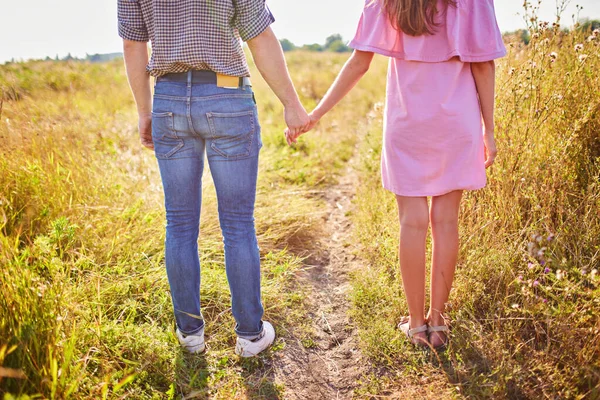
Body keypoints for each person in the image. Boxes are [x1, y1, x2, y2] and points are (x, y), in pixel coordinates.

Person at [288, 0, 506, 349]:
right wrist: (489, 130)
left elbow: (359, 62)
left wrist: (316, 113)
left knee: (412, 222)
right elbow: (484, 66)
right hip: (457, 122)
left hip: (408, 123)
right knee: (446, 220)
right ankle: (438, 321)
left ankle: (417, 326)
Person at [117, 0, 310, 357]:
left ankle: (190, 334)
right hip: (227, 94)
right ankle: (251, 336)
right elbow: (260, 35)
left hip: (168, 99)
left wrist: (145, 112)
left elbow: (133, 44)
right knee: (237, 224)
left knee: (179, 223)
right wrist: (291, 103)